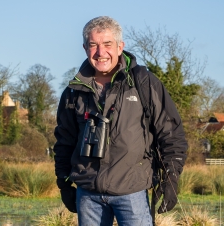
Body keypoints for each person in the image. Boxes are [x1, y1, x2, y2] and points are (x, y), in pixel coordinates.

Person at [54, 16, 187, 226]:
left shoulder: (143, 82)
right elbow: (64, 141)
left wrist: (171, 178)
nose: (100, 52)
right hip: (88, 193)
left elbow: (171, 133)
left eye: (107, 44)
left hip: (132, 191)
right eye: (93, 45)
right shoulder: (74, 91)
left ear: (120, 46)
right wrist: (63, 181)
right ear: (84, 48)